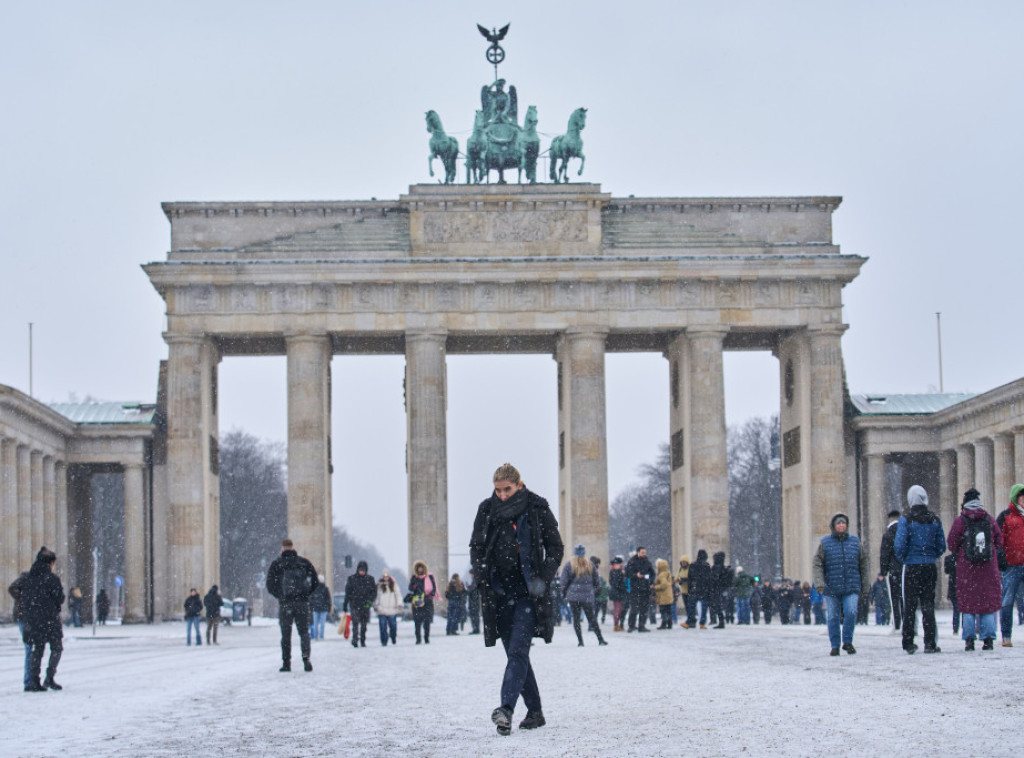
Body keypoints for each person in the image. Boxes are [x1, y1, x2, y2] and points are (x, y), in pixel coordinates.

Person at [469, 462, 563, 736]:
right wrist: (481, 573)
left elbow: (555, 547)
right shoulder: (486, 510)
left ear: (519, 485)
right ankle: (535, 711)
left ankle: (506, 709)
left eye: (507, 490)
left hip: (527, 594)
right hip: (498, 594)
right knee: (515, 654)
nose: (501, 495)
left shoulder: (537, 507)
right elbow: (476, 546)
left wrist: (543, 578)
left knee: (518, 651)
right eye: (497, 490)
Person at [948, 488, 1004, 651]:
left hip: (967, 569)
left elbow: (951, 544)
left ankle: (969, 640)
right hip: (988, 568)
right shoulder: (989, 519)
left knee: (968, 605)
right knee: (987, 604)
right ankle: (988, 639)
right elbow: (999, 541)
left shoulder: (960, 521)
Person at [894, 484, 946, 654]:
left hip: (911, 566)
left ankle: (908, 642)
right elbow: (941, 545)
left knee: (909, 606)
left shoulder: (906, 520)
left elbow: (899, 545)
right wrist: (931, 555)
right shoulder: (934, 520)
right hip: (929, 566)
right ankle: (930, 643)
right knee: (928, 605)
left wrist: (905, 558)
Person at [812, 513, 869, 656]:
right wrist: (819, 583)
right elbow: (817, 563)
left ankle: (848, 642)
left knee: (851, 612)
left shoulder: (855, 542)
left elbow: (863, 564)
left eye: (844, 523)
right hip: (831, 587)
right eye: (839, 523)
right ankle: (835, 645)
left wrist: (865, 585)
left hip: (852, 585)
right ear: (834, 526)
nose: (842, 525)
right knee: (833, 616)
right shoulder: (825, 543)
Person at [266, 538, 319, 672]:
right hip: (302, 603)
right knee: (304, 632)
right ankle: (306, 658)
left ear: (282, 549)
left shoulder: (277, 564)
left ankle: (286, 663)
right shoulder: (304, 562)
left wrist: (280, 595)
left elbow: (269, 585)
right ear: (293, 548)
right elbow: (315, 581)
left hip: (286, 604)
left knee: (286, 635)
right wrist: (306, 594)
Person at [20, 547, 65, 691]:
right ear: (51, 563)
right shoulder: (52, 578)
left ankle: (34, 681)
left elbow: (23, 597)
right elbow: (60, 598)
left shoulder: (28, 578)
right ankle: (49, 677)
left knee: (38, 649)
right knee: (56, 648)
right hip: (50, 618)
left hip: (33, 619)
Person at [559, 544, 607, 646]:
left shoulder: (569, 564)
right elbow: (597, 580)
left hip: (573, 596)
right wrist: (595, 590)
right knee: (592, 618)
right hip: (587, 596)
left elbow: (563, 581)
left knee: (576, 619)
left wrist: (563, 592)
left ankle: (580, 641)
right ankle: (600, 639)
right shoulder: (590, 564)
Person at [996, 483, 1024, 647]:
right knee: (1007, 601)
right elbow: (998, 540)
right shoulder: (1005, 516)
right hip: (1012, 566)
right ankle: (1006, 635)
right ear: (1015, 498)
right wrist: (1003, 561)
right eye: (1022, 497)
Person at [8, 570, 33, 689]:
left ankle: (31, 679)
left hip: (30, 617)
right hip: (24, 617)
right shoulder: (26, 577)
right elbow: (12, 588)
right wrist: (24, 599)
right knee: (29, 647)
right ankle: (29, 681)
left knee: (31, 649)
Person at [879, 509, 904, 632]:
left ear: (890, 519)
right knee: (906, 598)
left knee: (894, 599)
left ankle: (897, 624)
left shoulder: (888, 534)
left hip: (894, 570)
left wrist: (883, 571)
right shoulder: (905, 532)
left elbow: (884, 554)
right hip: (906, 568)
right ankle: (908, 623)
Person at [344, 561, 376, 648]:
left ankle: (362, 639)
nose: (362, 572)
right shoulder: (352, 579)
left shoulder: (370, 579)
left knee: (364, 624)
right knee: (355, 623)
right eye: (361, 570)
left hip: (365, 605)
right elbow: (348, 592)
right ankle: (355, 639)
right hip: (355, 604)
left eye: (363, 570)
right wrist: (345, 604)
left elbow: (373, 593)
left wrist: (369, 602)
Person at [408, 560, 439, 644]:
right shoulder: (414, 578)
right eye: (418, 568)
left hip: (427, 601)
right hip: (417, 600)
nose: (420, 569)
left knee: (427, 621)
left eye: (421, 567)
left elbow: (434, 588)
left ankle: (426, 637)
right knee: (417, 621)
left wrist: (430, 595)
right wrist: (414, 586)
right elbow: (410, 588)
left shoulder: (430, 577)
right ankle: (418, 638)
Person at [625, 547, 654, 632]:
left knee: (644, 609)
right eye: (642, 552)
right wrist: (636, 575)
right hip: (635, 588)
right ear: (638, 553)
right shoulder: (632, 562)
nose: (644, 554)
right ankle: (631, 626)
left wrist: (650, 581)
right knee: (634, 608)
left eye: (645, 552)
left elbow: (652, 573)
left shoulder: (647, 562)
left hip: (645, 588)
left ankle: (642, 626)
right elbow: (627, 573)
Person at [374, 570, 402, 646]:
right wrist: (376, 605)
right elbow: (376, 596)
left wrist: (399, 603)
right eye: (384, 576)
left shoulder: (393, 584)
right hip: (382, 609)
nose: (386, 578)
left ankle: (393, 636)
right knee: (382, 626)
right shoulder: (379, 585)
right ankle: (384, 641)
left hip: (392, 609)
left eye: (387, 576)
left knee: (393, 626)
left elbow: (398, 594)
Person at [689, 550, 712, 628]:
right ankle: (702, 622)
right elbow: (709, 578)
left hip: (695, 588)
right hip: (704, 588)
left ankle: (691, 620)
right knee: (704, 606)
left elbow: (690, 578)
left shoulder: (693, 565)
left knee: (692, 605)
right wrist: (709, 589)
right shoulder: (706, 565)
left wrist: (691, 587)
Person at [308, 574, 332, 640]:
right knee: (322, 623)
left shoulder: (313, 588)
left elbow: (311, 598)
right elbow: (328, 599)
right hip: (323, 608)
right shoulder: (325, 589)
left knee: (315, 623)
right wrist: (329, 608)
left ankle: (316, 636)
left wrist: (311, 606)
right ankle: (321, 636)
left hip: (315, 608)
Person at [652, 558, 674, 629]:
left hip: (663, 596)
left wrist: (655, 587)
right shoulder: (668, 573)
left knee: (663, 610)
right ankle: (669, 623)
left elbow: (663, 585)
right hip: (668, 595)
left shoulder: (661, 575)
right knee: (668, 610)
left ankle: (664, 623)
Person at [608, 555, 628, 631]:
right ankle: (616, 625)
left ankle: (617, 624)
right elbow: (616, 583)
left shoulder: (613, 571)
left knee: (619, 609)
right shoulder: (617, 572)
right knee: (618, 609)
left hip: (617, 592)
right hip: (618, 593)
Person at [943, 553, 959, 634]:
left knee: (956, 608)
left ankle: (955, 628)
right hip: (962, 584)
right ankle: (965, 627)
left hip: (953, 585)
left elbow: (946, 571)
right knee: (965, 610)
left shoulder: (949, 558)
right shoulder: (963, 558)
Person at [676, 556, 692, 627]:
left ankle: (690, 620)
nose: (683, 564)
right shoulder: (680, 569)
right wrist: (679, 579)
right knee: (687, 606)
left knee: (690, 606)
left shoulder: (690, 569)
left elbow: (692, 578)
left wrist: (686, 579)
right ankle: (689, 619)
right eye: (682, 562)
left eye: (684, 562)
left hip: (690, 590)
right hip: (683, 590)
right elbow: (676, 578)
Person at [467, 569, 482, 634]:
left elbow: (472, 590)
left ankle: (476, 629)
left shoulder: (475, 580)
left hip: (474, 601)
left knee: (474, 616)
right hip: (474, 601)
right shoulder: (475, 580)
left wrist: (468, 587)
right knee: (474, 616)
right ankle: (475, 628)